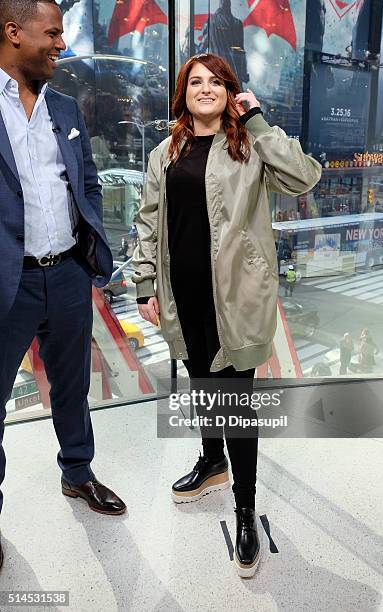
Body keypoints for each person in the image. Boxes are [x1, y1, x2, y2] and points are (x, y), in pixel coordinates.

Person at [132, 53, 321, 577]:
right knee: (201, 383)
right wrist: (146, 283)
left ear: (231, 91)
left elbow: (304, 177)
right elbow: (147, 223)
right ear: (182, 93)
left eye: (216, 81)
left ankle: (244, 510)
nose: (206, 88)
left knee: (235, 402)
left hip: (236, 296)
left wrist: (256, 118)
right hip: (183, 296)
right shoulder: (163, 153)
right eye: (196, 82)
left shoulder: (249, 146)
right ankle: (210, 460)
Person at [0, 0, 127, 568]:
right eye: (51, 33)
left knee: (73, 389)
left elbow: (89, 183)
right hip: (9, 284)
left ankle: (77, 474)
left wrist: (87, 248)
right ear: (12, 32)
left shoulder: (65, 106)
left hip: (69, 277)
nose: (60, 45)